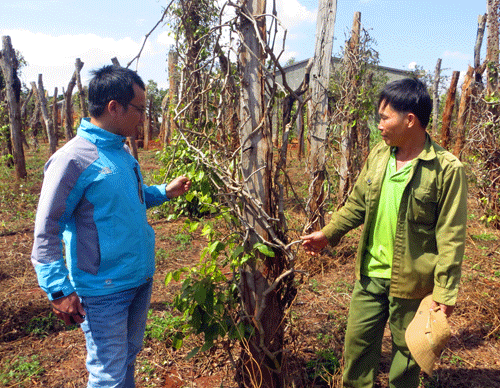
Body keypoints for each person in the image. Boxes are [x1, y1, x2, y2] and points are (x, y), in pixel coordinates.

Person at [31, 65, 191, 388]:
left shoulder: (121, 152)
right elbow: (46, 230)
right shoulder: (72, 160)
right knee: (108, 376)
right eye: (140, 110)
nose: (143, 118)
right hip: (104, 291)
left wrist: (164, 192)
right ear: (114, 107)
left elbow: (132, 197)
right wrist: (58, 290)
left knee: (126, 361)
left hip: (137, 280)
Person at [301, 77, 467, 388]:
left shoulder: (447, 169)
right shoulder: (380, 156)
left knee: (406, 361)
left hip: (413, 283)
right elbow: (357, 204)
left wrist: (445, 292)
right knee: (357, 351)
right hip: (370, 276)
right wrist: (329, 233)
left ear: (409, 120)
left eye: (384, 117)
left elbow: (452, 236)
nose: (379, 125)